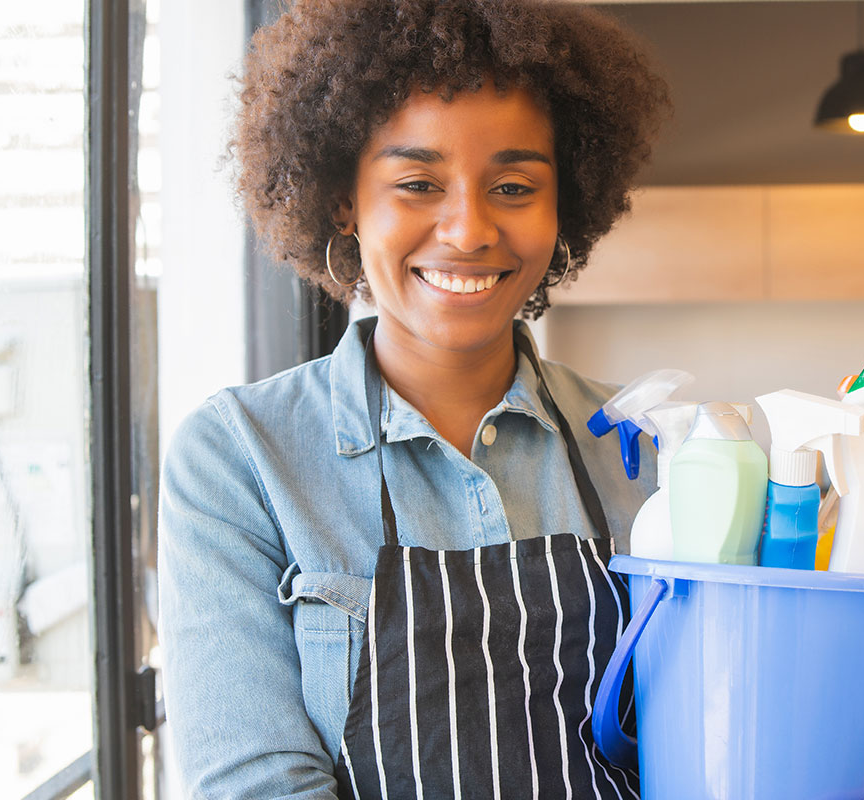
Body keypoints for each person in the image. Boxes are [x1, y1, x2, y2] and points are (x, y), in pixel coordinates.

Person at [158, 0, 668, 796]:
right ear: (342, 200)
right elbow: (254, 782)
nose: (468, 229)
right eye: (418, 182)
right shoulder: (241, 456)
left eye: (512, 184)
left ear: (564, 201)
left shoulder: (651, 445)